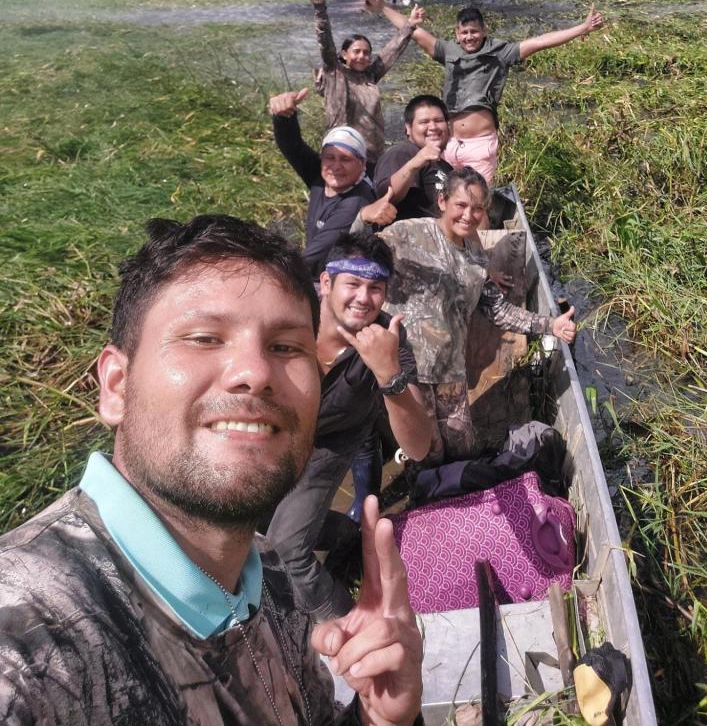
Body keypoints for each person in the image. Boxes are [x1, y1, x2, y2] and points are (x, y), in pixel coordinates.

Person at [0, 214, 423, 726]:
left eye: (285, 347)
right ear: (115, 385)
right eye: (203, 337)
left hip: (323, 451)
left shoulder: (267, 580)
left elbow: (419, 445)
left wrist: (380, 721)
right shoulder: (26, 645)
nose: (255, 373)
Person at [266, 232, 431, 622]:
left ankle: (353, 628)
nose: (363, 298)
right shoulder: (286, 311)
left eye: (375, 288)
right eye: (353, 284)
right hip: (274, 431)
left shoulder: (388, 336)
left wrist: (388, 373)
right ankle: (346, 536)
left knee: (286, 552)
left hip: (331, 441)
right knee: (241, 515)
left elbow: (421, 445)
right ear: (325, 284)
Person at [379, 168, 577, 463]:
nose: (468, 215)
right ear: (442, 201)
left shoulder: (475, 253)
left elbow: (498, 310)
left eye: (477, 208)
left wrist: (550, 325)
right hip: (410, 372)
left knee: (463, 453)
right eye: (460, 205)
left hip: (451, 375)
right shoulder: (407, 233)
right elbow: (359, 256)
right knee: (424, 457)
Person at [367, 0, 605, 183]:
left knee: (476, 202)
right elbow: (415, 33)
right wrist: (382, 7)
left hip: (479, 145)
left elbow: (539, 42)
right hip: (446, 144)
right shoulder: (448, 50)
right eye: (464, 33)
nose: (469, 37)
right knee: (442, 202)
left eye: (474, 32)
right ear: (457, 34)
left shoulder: (500, 51)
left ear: (484, 30)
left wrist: (582, 28)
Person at [269, 88, 397, 276]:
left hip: (337, 279)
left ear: (362, 164)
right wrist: (283, 116)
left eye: (345, 159)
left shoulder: (357, 200)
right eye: (330, 157)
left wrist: (280, 274)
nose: (336, 166)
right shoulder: (321, 175)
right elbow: (292, 146)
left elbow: (316, 252)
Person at [310, 0, 424, 169]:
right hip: (342, 152)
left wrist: (410, 25)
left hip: (372, 155)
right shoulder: (335, 72)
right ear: (344, 54)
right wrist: (320, 7)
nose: (362, 57)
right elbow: (325, 40)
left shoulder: (370, 75)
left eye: (366, 53)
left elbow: (392, 50)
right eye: (357, 52)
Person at [372, 94, 452, 221]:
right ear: (408, 128)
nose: (433, 127)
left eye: (438, 121)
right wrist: (414, 164)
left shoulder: (446, 166)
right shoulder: (402, 153)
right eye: (424, 122)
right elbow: (386, 197)